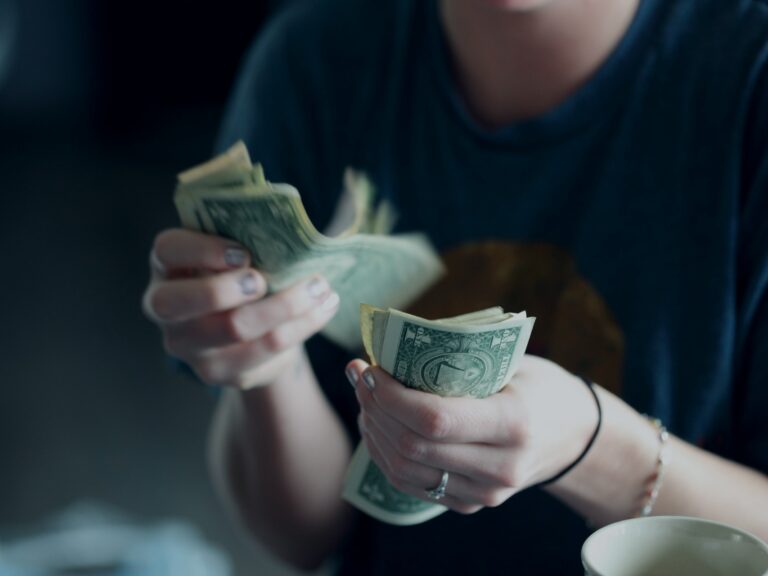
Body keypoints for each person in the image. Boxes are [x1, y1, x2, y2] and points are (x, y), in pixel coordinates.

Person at [142, 0, 768, 573]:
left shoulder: (746, 78)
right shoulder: (316, 60)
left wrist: (592, 446)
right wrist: (266, 365)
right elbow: (307, 536)